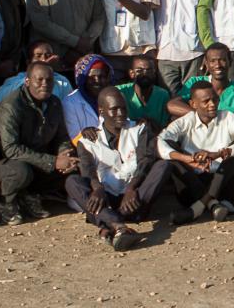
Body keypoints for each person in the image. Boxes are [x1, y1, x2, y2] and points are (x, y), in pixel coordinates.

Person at [68, 85, 163, 250]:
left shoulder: (139, 129)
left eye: (123, 108)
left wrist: (132, 188)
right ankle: (118, 225)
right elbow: (88, 171)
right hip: (106, 199)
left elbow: (145, 161)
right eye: (114, 109)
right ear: (101, 111)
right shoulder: (88, 140)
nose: (120, 114)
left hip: (134, 200)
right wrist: (97, 189)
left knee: (163, 166)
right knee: (72, 181)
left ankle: (107, 225)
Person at [158, 81, 234, 223]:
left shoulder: (228, 117)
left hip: (222, 182)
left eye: (215, 99)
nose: (212, 104)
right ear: (193, 104)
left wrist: (219, 154)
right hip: (192, 186)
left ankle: (200, 207)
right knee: (171, 154)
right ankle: (213, 204)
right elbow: (160, 141)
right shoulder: (185, 121)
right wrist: (187, 159)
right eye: (206, 101)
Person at [0, 62, 76, 225]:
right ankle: (7, 203)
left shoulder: (54, 103)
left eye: (49, 80)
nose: (44, 84)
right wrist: (53, 161)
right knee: (20, 172)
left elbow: (61, 136)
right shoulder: (11, 106)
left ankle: (31, 195)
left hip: (40, 157)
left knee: (74, 164)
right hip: (12, 162)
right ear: (27, 81)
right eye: (39, 80)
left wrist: (65, 153)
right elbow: (10, 149)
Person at [181, 44, 234, 119]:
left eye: (222, 60)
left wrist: (218, 121)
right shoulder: (194, 82)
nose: (218, 65)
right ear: (206, 64)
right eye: (212, 61)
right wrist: (203, 115)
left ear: (230, 62)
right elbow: (172, 105)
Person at [65, 54, 118, 137]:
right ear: (83, 79)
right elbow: (74, 136)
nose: (97, 81)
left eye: (102, 76)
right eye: (92, 77)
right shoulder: (69, 102)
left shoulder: (115, 97)